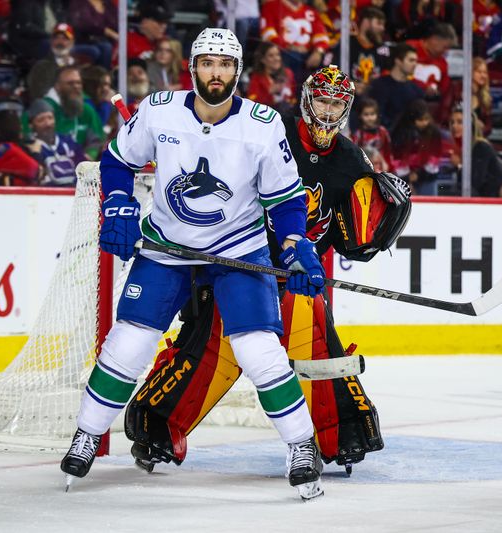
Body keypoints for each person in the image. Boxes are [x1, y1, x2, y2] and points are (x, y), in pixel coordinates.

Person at [60, 28, 328, 500]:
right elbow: (118, 161)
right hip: (167, 245)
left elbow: (286, 200)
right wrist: (119, 201)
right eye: (208, 63)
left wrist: (294, 245)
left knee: (259, 351)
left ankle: (302, 446)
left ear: (237, 71)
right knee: (128, 343)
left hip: (237, 249)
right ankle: (85, 434)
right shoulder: (159, 110)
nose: (216, 72)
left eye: (225, 65)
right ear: (193, 67)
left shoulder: (263, 125)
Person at [121, 64, 411, 483]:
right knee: (213, 346)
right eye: (322, 100)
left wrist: (381, 221)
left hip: (298, 277)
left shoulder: (352, 160)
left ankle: (337, 434)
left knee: (313, 341)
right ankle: (159, 426)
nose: (328, 112)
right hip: (238, 264)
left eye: (337, 103)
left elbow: (353, 241)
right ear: (306, 99)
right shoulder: (273, 130)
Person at [42, 65, 105, 159]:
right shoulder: (44, 108)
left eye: (78, 83)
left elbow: (96, 140)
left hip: (82, 166)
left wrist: (89, 157)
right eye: (70, 83)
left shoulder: (87, 110)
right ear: (57, 86)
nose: (76, 86)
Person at [23, 99, 85, 187]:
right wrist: (35, 155)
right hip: (47, 196)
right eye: (41, 120)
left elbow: (84, 168)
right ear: (31, 125)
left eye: (50, 118)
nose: (48, 124)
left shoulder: (68, 141)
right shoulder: (30, 147)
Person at [448, 107, 502, 197]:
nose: (454, 126)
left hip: (491, 200)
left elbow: (474, 183)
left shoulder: (481, 146)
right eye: (452, 122)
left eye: (460, 122)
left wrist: (459, 166)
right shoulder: (463, 148)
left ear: (470, 126)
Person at [366, 42, 425, 130]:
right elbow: (377, 116)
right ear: (398, 61)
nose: (415, 64)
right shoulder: (379, 85)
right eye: (411, 60)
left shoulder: (416, 90)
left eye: (416, 61)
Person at [26, 23, 79, 102]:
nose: (60, 42)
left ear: (72, 42)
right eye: (56, 38)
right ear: (51, 41)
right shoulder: (41, 67)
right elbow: (37, 95)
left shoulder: (79, 66)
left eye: (65, 38)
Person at [245, 42, 297, 112]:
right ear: (262, 59)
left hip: (289, 114)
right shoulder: (256, 77)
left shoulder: (288, 73)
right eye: (271, 55)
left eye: (278, 54)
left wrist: (290, 101)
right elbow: (251, 103)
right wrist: (269, 93)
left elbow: (294, 98)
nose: (276, 58)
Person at [351, 97, 394, 172]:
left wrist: (389, 166)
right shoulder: (358, 135)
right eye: (366, 114)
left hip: (382, 169)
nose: (370, 118)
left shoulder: (382, 131)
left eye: (372, 114)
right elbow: (355, 154)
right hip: (365, 169)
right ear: (360, 116)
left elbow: (388, 151)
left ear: (377, 115)